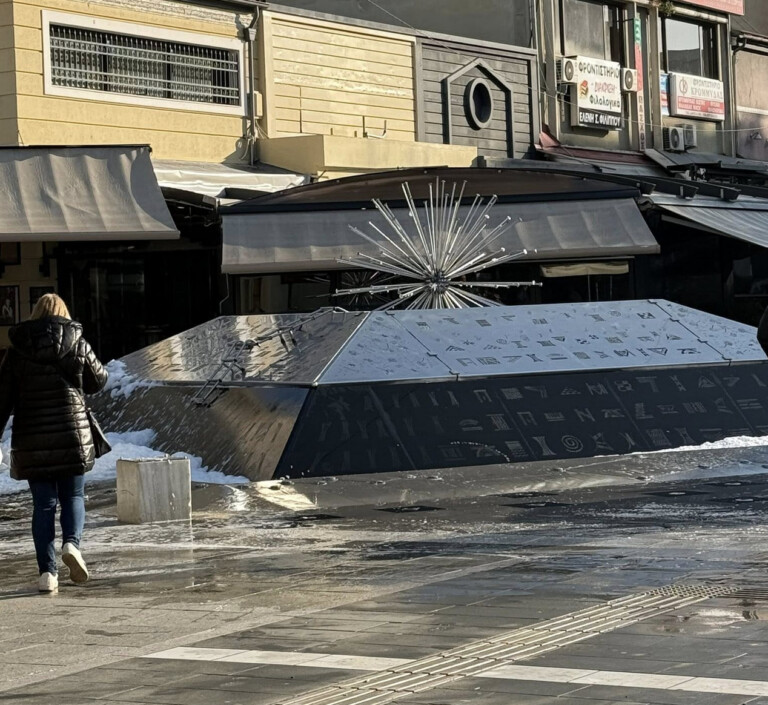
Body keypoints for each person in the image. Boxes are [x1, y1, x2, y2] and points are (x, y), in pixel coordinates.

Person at [0, 294, 108, 593]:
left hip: (32, 439)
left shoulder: (17, 349)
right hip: (72, 435)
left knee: (43, 505)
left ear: (35, 314)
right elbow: (98, 381)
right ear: (64, 313)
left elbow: (2, 398)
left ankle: (47, 574)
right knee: (73, 496)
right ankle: (71, 544)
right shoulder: (77, 342)